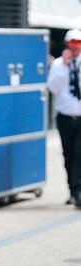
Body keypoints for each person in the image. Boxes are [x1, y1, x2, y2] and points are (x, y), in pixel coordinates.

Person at [47, 29, 81, 207]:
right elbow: (52, 88)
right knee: (68, 154)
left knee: (79, 154)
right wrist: (65, 68)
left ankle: (78, 191)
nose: (76, 47)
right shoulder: (59, 64)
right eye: (73, 43)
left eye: (79, 43)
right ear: (67, 44)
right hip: (65, 117)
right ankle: (72, 190)